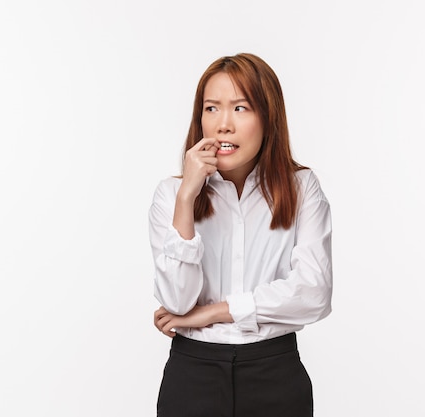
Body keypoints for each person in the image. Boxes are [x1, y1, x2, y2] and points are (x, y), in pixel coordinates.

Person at [148, 52, 333, 417]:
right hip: (193, 376)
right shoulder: (170, 195)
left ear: (268, 116)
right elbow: (178, 301)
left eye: (241, 108)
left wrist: (214, 312)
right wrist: (187, 197)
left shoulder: (301, 188)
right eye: (212, 108)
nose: (223, 125)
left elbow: (314, 293)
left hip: (275, 374)